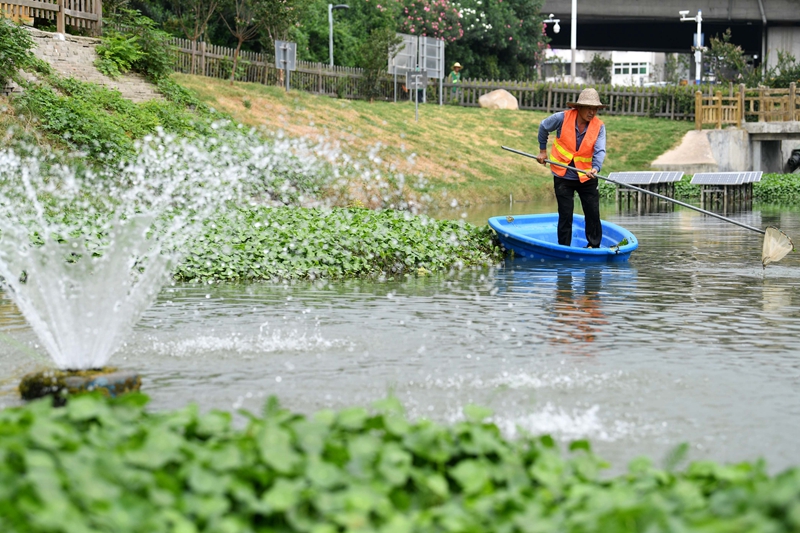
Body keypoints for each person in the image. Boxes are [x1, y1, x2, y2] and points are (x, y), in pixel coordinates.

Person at [536, 88, 607, 248]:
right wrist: (542, 151)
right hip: (563, 176)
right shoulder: (562, 118)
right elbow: (543, 127)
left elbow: (600, 150)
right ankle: (564, 248)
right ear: (579, 107)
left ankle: (594, 246)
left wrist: (595, 168)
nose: (592, 112)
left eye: (595, 109)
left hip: (587, 176)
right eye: (589, 108)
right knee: (565, 214)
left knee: (593, 213)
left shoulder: (599, 127)